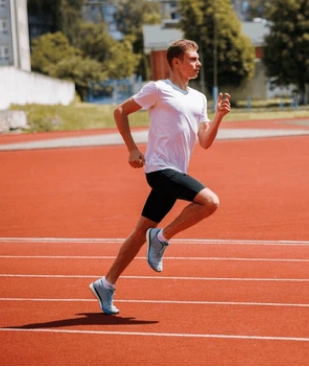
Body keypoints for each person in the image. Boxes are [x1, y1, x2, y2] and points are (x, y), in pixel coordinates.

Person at [89, 39, 231, 315]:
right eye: (192, 59)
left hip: (177, 171)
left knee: (140, 232)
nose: (198, 63)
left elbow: (204, 141)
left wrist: (219, 118)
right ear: (176, 62)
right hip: (159, 169)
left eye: (197, 58)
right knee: (210, 202)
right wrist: (132, 148)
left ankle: (106, 284)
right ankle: (162, 238)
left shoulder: (199, 98)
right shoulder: (158, 89)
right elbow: (120, 111)